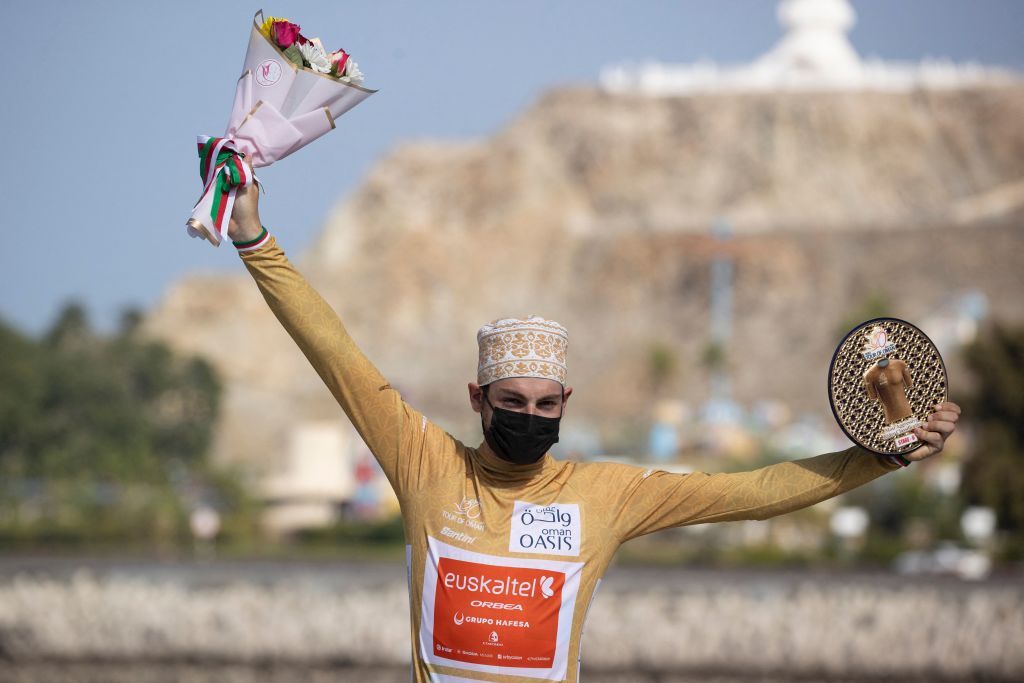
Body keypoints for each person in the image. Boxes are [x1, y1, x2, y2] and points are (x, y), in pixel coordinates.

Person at [225, 183, 961, 683]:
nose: (531, 417)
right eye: (513, 401)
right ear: (478, 398)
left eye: (548, 405)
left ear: (567, 402)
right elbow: (334, 352)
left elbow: (755, 491)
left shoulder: (605, 496)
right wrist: (255, 238)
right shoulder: (423, 461)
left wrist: (887, 458)